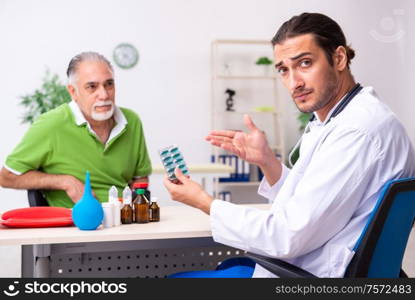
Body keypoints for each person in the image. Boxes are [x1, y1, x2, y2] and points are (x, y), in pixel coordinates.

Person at [164, 13, 415, 277]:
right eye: (284, 70)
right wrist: (267, 161)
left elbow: (286, 236)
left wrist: (204, 202)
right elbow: (312, 204)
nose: (294, 83)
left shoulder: (357, 131)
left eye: (305, 63)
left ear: (339, 58)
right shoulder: (343, 118)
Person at [0, 52, 152, 207]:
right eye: (92, 87)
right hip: (74, 226)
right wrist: (65, 181)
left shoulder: (131, 121)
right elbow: (7, 177)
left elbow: (140, 178)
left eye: (109, 84)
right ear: (73, 92)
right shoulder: (51, 124)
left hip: (124, 221)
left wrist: (136, 212)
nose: (104, 94)